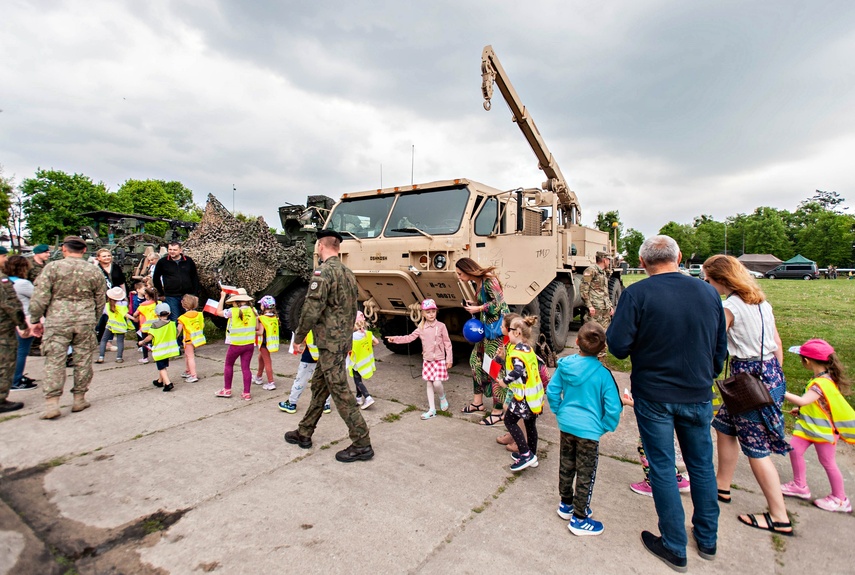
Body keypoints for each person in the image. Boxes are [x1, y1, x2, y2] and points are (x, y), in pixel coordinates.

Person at [607, 236, 726, 570]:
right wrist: (708, 373)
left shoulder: (637, 294)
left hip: (655, 395)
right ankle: (707, 538)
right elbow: (720, 346)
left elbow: (617, 346)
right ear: (680, 257)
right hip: (697, 392)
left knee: (661, 466)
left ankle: (674, 544)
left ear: (642, 263)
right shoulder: (708, 292)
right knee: (702, 466)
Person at [703, 254, 794, 537]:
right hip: (769, 373)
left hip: (747, 380)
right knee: (724, 428)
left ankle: (779, 515)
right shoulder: (761, 302)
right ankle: (722, 485)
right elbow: (777, 342)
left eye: (708, 279)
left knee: (756, 447)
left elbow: (715, 342)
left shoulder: (730, 307)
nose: (706, 283)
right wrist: (775, 376)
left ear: (722, 279)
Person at [284, 229, 374, 463]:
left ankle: (362, 442)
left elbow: (311, 309)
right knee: (320, 387)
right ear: (338, 247)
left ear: (320, 247)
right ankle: (304, 431)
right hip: (341, 341)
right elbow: (353, 308)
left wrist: (299, 336)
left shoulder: (323, 273)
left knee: (340, 391)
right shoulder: (348, 273)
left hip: (329, 343)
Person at [548, 321, 621, 535]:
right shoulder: (603, 374)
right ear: (602, 349)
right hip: (589, 430)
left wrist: (560, 411)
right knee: (586, 473)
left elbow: (552, 391)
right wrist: (604, 426)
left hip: (567, 424)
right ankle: (579, 518)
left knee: (566, 464)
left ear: (576, 341)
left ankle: (566, 504)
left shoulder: (565, 366)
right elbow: (613, 407)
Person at [28, 236, 106, 420]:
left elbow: (40, 297)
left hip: (58, 320)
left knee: (54, 360)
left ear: (64, 249)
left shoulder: (52, 268)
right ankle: (79, 398)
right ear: (84, 250)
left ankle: (52, 403)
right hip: (85, 320)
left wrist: (34, 319)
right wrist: (93, 320)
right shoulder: (93, 271)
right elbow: (100, 299)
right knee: (83, 360)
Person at [781, 338, 853, 513]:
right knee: (794, 450)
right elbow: (818, 404)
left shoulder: (820, 384)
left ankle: (840, 499)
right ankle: (800, 486)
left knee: (828, 462)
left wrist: (780, 391)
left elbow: (804, 399)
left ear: (807, 360)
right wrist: (801, 410)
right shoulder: (822, 378)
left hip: (823, 432)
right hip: (808, 427)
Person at [455, 257, 510, 425]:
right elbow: (487, 302)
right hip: (485, 331)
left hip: (497, 333)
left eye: (460, 273)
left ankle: (498, 411)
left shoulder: (489, 280)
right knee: (475, 363)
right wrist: (475, 303)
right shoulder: (477, 282)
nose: (459, 277)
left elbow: (498, 304)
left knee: (494, 369)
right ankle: (477, 403)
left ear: (468, 270)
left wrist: (478, 308)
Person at [386, 299, 453, 420]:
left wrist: (449, 359)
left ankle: (442, 397)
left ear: (436, 312)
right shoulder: (421, 328)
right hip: (428, 360)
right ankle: (432, 409)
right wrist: (395, 339)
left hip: (439, 360)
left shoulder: (441, 326)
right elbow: (409, 338)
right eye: (428, 312)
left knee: (437, 383)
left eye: (433, 311)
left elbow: (447, 343)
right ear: (423, 313)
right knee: (429, 383)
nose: (431, 314)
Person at [500, 314, 545, 472]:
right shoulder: (528, 349)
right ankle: (532, 454)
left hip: (523, 397)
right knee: (530, 424)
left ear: (517, 333)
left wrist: (504, 381)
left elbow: (518, 371)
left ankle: (525, 453)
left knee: (509, 421)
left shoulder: (517, 353)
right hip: (535, 397)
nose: (508, 332)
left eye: (510, 330)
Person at [214, 288, 258, 400]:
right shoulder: (254, 311)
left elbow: (218, 312)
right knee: (246, 368)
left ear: (236, 301)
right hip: (249, 344)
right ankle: (246, 393)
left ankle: (227, 389)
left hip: (236, 344)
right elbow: (257, 327)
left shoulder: (232, 311)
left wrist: (222, 297)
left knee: (228, 365)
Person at [0, 262, 31, 413]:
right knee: (7, 361)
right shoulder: (4, 281)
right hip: (4, 329)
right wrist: (22, 324)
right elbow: (11, 305)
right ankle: (3, 396)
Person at [5, 256, 38, 391]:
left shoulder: (6, 282)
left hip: (9, 321)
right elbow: (38, 297)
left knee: (12, 351)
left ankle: (13, 377)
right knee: (21, 351)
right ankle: (16, 380)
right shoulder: (23, 284)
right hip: (25, 319)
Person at [152, 241, 199, 324]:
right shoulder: (163, 262)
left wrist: (195, 294)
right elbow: (156, 278)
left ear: (180, 250)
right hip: (171, 296)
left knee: (188, 318)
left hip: (188, 295)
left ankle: (187, 336)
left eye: (174, 250)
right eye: (170, 249)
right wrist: (161, 293)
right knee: (175, 319)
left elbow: (194, 277)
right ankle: (176, 336)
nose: (172, 251)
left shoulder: (188, 261)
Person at [137, 303, 179, 392]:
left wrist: (142, 342)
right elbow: (176, 334)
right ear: (169, 312)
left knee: (161, 368)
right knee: (163, 366)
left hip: (159, 350)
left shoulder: (155, 325)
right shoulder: (172, 324)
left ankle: (168, 383)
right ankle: (160, 381)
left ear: (157, 314)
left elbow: (150, 337)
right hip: (169, 349)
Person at [580, 251, 614, 360]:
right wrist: (589, 305)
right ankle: (588, 360)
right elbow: (584, 289)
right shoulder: (591, 271)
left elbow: (604, 292)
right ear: (604, 260)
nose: (609, 262)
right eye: (608, 259)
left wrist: (610, 306)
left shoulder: (603, 272)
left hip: (604, 310)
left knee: (603, 336)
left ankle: (601, 362)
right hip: (594, 310)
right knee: (591, 335)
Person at [278, 331, 320, 414]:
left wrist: (298, 341)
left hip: (310, 352)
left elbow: (304, 329)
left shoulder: (311, 318)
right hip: (328, 354)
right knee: (326, 380)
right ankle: (326, 404)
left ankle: (291, 403)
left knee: (301, 379)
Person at [93, 248, 126, 344]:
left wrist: (124, 295)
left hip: (114, 296)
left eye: (108, 256)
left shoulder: (115, 267)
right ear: (98, 258)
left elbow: (121, 281)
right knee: (100, 319)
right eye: (104, 256)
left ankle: (108, 341)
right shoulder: (96, 268)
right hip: (100, 296)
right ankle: (98, 339)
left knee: (111, 318)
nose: (107, 258)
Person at [347, 311, 379, 410]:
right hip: (366, 362)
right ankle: (358, 398)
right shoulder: (368, 334)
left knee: (357, 381)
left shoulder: (352, 337)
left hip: (357, 363)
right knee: (358, 380)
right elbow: (376, 342)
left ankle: (367, 397)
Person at [96, 287, 130, 364]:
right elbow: (125, 314)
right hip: (120, 326)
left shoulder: (107, 305)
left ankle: (101, 357)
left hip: (110, 324)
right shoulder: (123, 305)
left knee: (103, 340)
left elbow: (105, 313)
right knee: (120, 342)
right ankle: (119, 357)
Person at [176, 294, 205, 383]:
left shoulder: (182, 318)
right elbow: (202, 325)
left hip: (188, 340)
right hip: (197, 338)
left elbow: (178, 330)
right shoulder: (199, 314)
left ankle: (193, 375)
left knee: (190, 357)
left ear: (183, 304)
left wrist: (174, 337)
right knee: (188, 356)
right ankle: (188, 371)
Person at [253, 295, 279, 391]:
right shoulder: (274, 317)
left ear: (263, 306)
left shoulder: (262, 318)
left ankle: (271, 382)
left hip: (264, 344)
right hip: (271, 343)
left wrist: (249, 331)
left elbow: (259, 332)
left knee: (267, 362)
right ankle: (258, 377)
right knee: (261, 358)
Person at [128, 287, 158, 364]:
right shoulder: (157, 303)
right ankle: (156, 356)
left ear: (147, 295)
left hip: (145, 326)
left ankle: (145, 358)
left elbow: (135, 314)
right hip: (156, 326)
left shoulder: (143, 305)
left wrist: (134, 316)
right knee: (155, 341)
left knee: (144, 342)